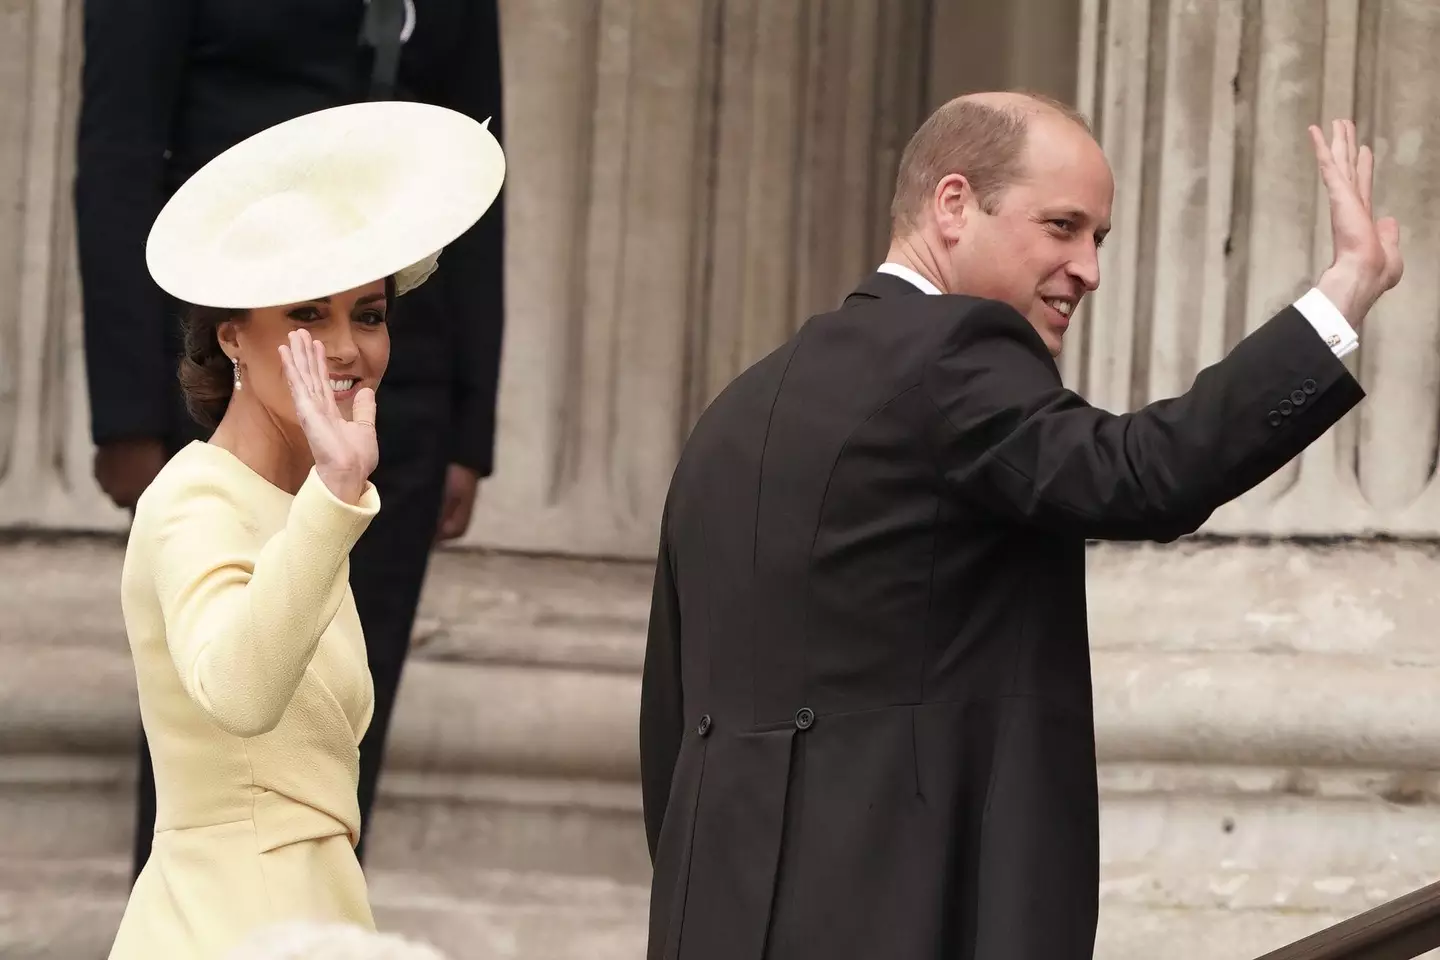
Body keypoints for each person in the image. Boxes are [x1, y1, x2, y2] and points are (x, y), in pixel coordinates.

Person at [638, 92, 1403, 960]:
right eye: (1063, 226)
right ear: (954, 205)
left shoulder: (731, 415)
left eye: (1098, 239)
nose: (1089, 268)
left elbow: (669, 718)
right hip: (903, 920)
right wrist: (1341, 296)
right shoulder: (953, 353)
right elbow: (1143, 475)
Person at [72, 0, 505, 876]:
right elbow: (119, 154)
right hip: (224, 373)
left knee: (346, 720)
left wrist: (470, 420)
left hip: (396, 390)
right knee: (215, 718)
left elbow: (474, 182)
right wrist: (126, 413)